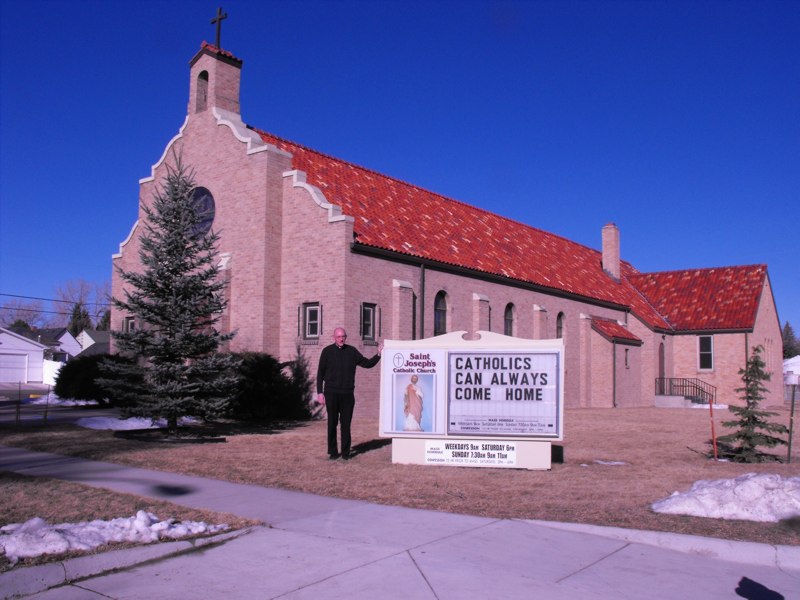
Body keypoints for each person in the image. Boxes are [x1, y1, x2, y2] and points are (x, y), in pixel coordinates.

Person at [316, 327, 382, 459]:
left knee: (345, 424)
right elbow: (320, 373)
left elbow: (367, 363)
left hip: (347, 395)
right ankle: (333, 452)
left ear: (345, 337)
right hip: (331, 393)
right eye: (339, 336)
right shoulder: (327, 352)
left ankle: (346, 453)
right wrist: (320, 392)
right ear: (334, 337)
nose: (341, 339)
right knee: (332, 423)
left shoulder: (352, 351)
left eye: (343, 336)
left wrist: (378, 354)